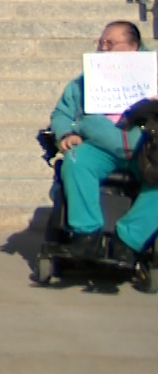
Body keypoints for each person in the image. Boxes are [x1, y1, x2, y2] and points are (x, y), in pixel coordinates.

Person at [49, 22, 158, 262]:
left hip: (148, 149)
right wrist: (66, 134)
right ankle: (86, 236)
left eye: (110, 44)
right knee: (76, 159)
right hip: (101, 146)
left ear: (133, 47)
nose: (103, 49)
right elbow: (61, 114)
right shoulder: (85, 80)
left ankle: (128, 240)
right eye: (101, 43)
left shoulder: (154, 72)